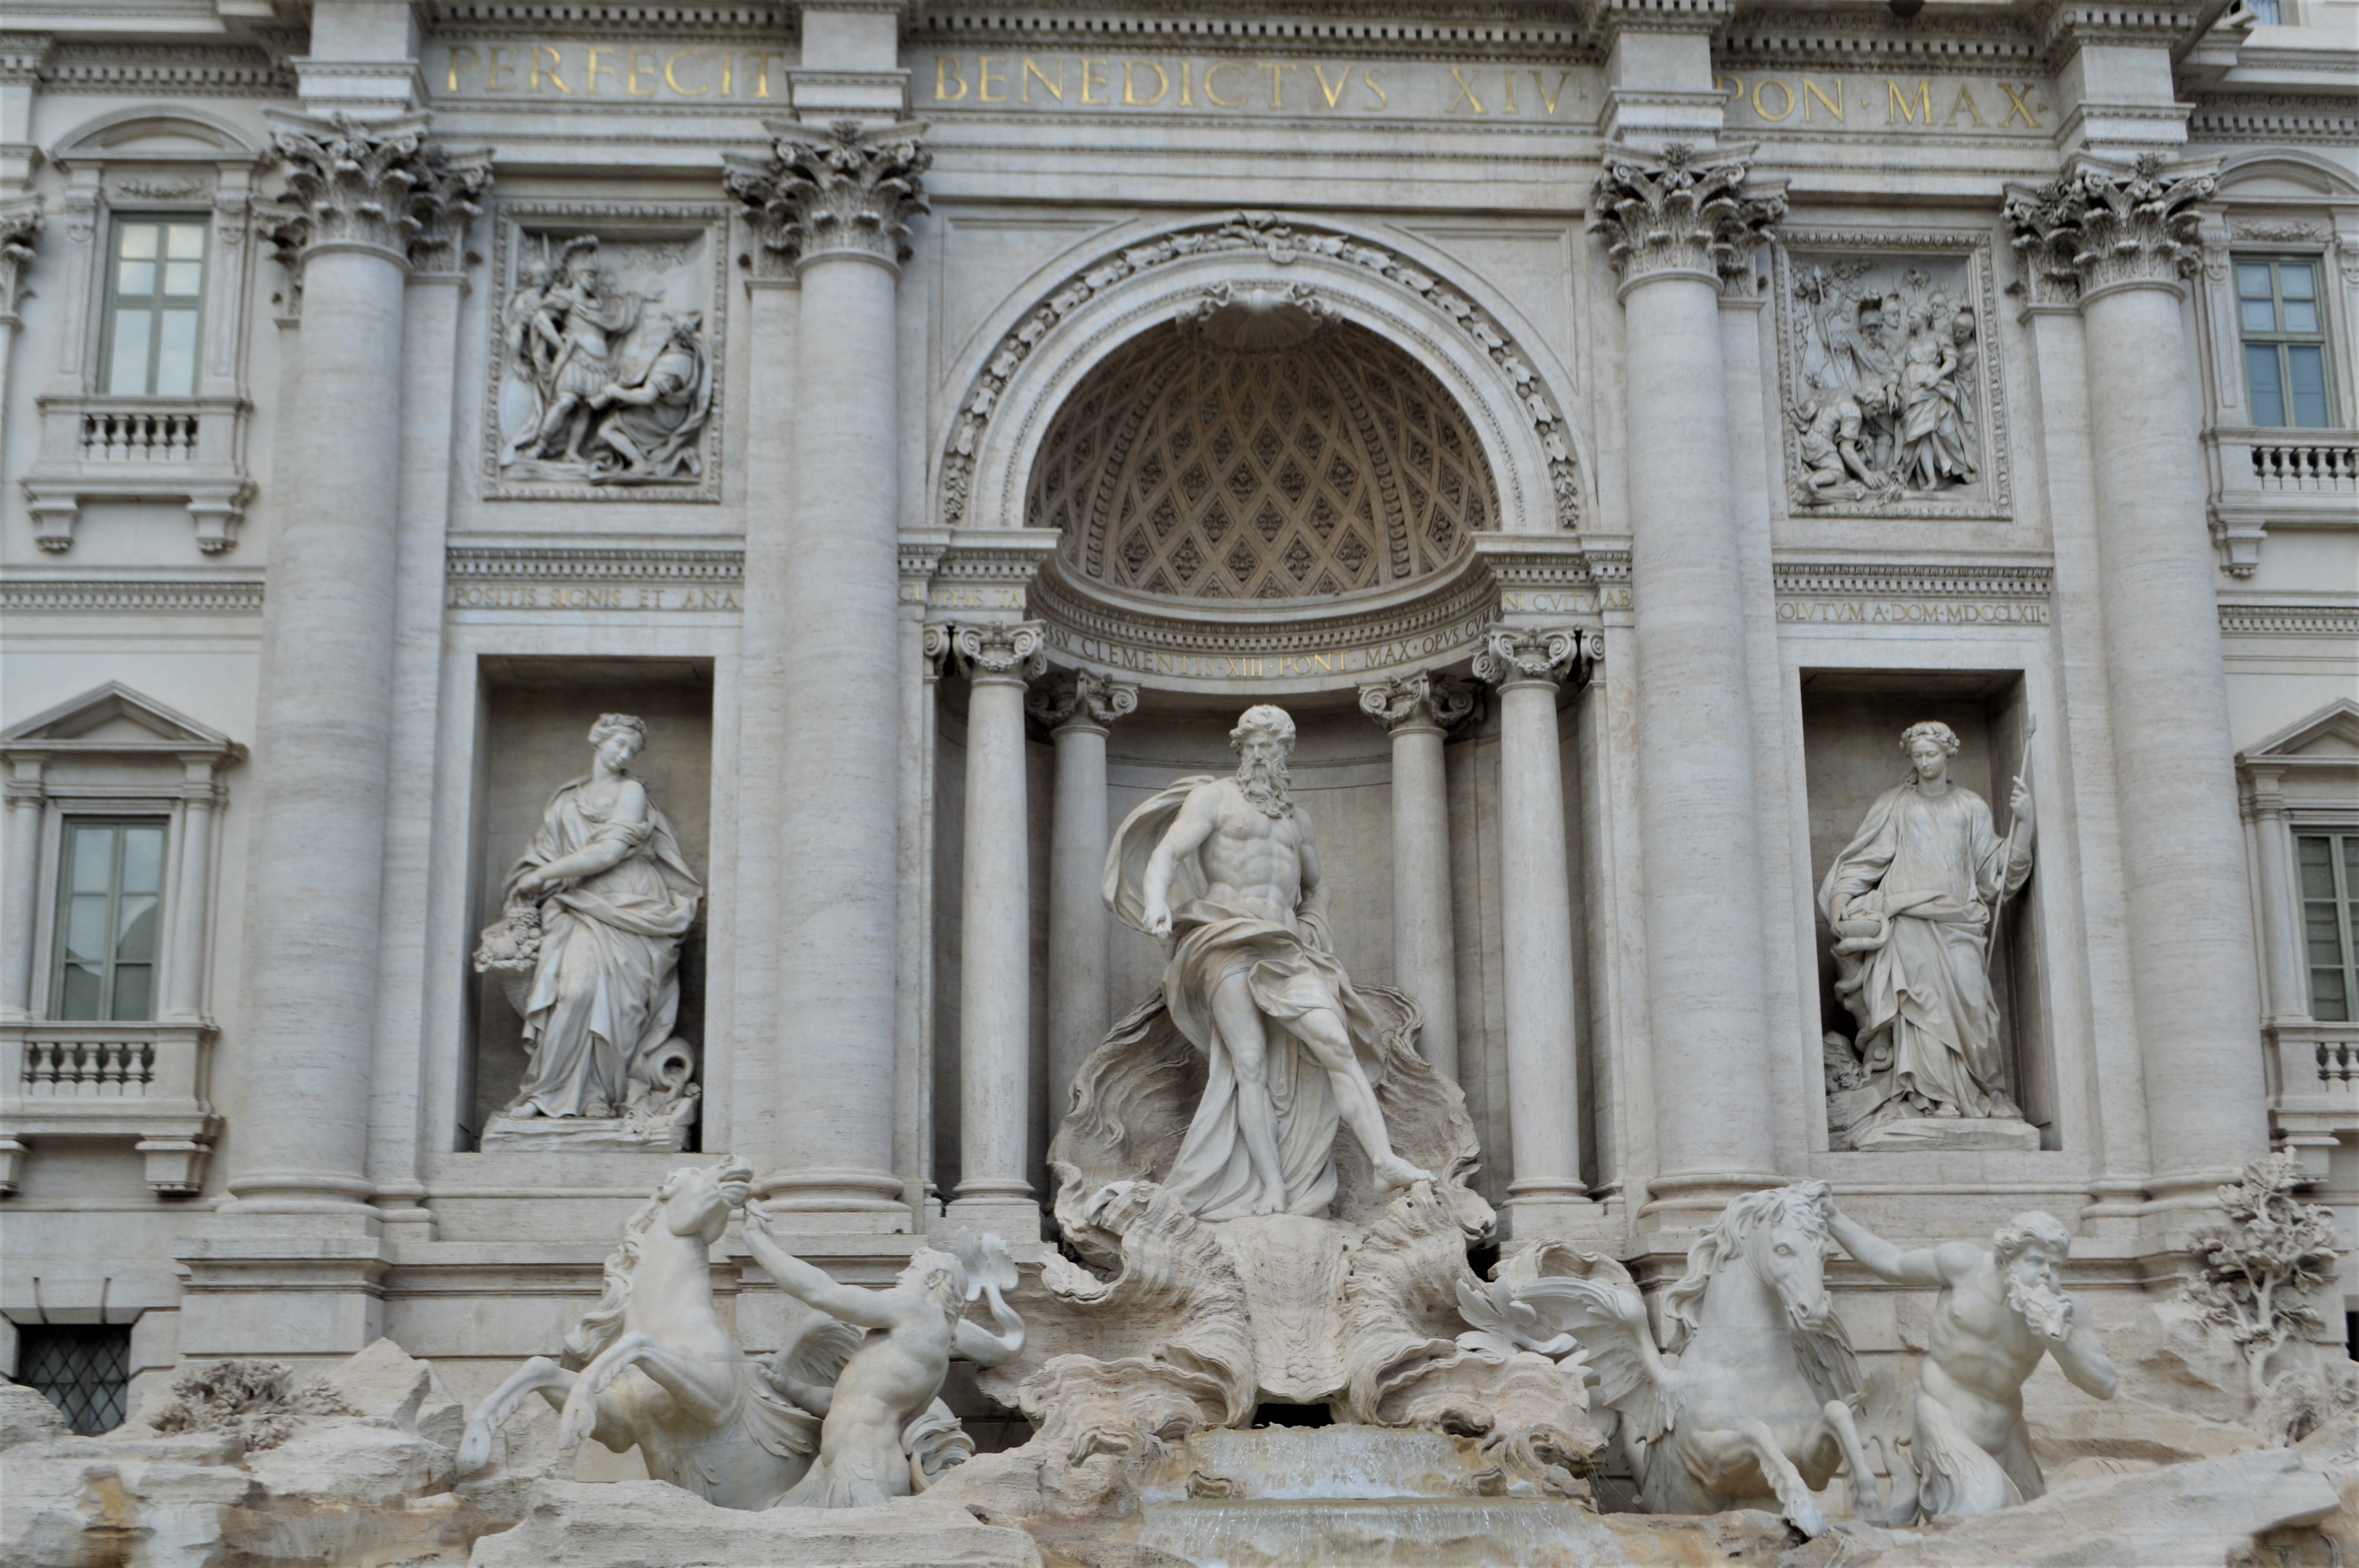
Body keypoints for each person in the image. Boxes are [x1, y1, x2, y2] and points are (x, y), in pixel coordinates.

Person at [1103, 705, 1433, 1221]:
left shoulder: (1297, 820)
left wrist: (1314, 923)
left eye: (1272, 747)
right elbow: (1166, 853)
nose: (1262, 756)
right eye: (1254, 746)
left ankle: (1383, 1160)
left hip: (1285, 947)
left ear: (1286, 754)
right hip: (1225, 938)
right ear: (1241, 749)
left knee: (1336, 1042)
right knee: (1249, 1064)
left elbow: (1317, 885)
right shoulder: (1214, 798)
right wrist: (1156, 902)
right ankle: (1272, 1187)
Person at [1825, 1205, 2116, 1519]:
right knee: (1983, 1513)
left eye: (2055, 1266)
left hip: (2008, 1436)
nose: (2047, 1273)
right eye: (2035, 1261)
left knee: (2033, 1524)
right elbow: (1891, 1263)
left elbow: (2105, 1385)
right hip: (1944, 1421)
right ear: (2007, 1259)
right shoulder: (1964, 1267)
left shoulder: (2067, 1311)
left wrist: (2060, 1341)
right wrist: (1832, 1218)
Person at [1818, 721, 2031, 1121]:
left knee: (1975, 1005)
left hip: (1959, 921)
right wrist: (1841, 897)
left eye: (1931, 754)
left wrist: (2025, 825)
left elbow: (1996, 876)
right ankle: (1937, 1098)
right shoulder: (1896, 804)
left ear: (1948, 754)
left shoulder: (1971, 807)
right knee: (1922, 1010)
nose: (1924, 762)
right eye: (1917, 756)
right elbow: (1865, 859)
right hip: (1908, 921)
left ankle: (1988, 1091)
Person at [494, 714, 702, 1120]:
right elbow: (543, 852)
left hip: (630, 904)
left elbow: (609, 851)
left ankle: (599, 1096)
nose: (624, 755)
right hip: (576, 904)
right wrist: (534, 878)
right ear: (598, 739)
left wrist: (543, 875)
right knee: (574, 992)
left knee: (619, 1007)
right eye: (619, 744)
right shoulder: (565, 800)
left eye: (632, 750)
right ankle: (546, 1093)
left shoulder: (631, 792)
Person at [742, 1210, 1024, 1508]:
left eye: (912, 1269)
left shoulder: (915, 1309)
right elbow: (844, 1404)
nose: (901, 1275)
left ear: (935, 1278)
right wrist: (788, 1386)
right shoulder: (930, 1335)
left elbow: (821, 1292)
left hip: (864, 1470)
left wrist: (756, 1240)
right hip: (834, 1469)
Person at [588, 312, 710, 482]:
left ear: (670, 333)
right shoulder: (687, 358)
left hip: (662, 417)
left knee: (607, 429)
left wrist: (615, 391)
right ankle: (671, 456)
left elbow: (646, 397)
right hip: (673, 413)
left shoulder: (670, 364)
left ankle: (641, 463)